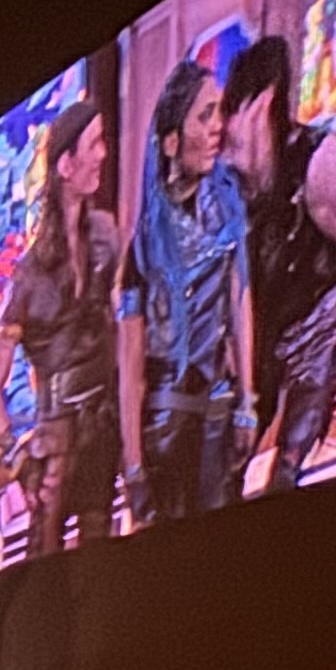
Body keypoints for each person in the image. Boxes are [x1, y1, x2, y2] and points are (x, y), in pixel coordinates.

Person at [223, 36, 336, 493]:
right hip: (260, 332)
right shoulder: (228, 178)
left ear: (262, 102)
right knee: (229, 462)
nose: (225, 128)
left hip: (315, 324)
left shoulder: (315, 156)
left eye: (233, 111)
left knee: (287, 466)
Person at [0, 97, 123, 556]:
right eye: (94, 144)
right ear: (65, 164)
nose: (103, 154)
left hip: (103, 434)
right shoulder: (29, 276)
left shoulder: (105, 235)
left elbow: (120, 333)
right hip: (54, 453)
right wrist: (20, 462)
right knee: (47, 582)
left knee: (101, 576)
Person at [116, 59, 258, 524]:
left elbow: (240, 307)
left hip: (217, 416)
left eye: (220, 112)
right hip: (166, 428)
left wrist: (247, 403)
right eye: (205, 115)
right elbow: (131, 369)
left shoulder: (229, 211)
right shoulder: (144, 247)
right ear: (172, 140)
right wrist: (134, 469)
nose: (219, 126)